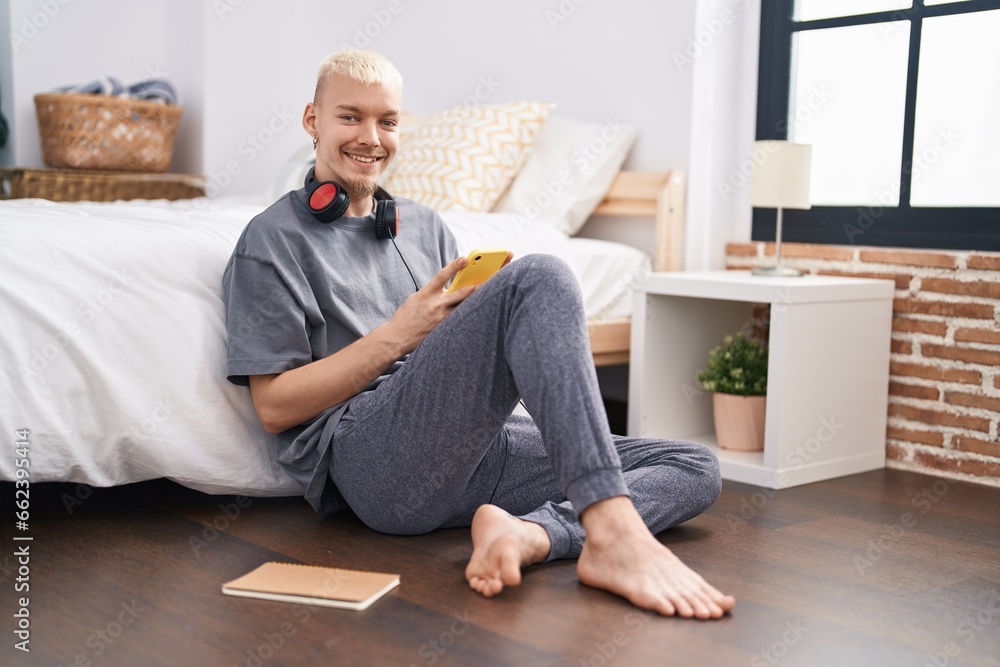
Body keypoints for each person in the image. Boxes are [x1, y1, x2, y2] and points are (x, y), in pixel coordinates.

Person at [222, 49, 735, 620]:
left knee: (694, 466)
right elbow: (273, 407)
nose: (371, 137)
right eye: (350, 117)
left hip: (480, 452)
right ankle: (614, 536)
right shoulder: (270, 242)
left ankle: (533, 536)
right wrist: (398, 335)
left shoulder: (422, 226)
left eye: (387, 121)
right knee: (540, 275)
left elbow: (460, 365)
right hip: (376, 463)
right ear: (312, 121)